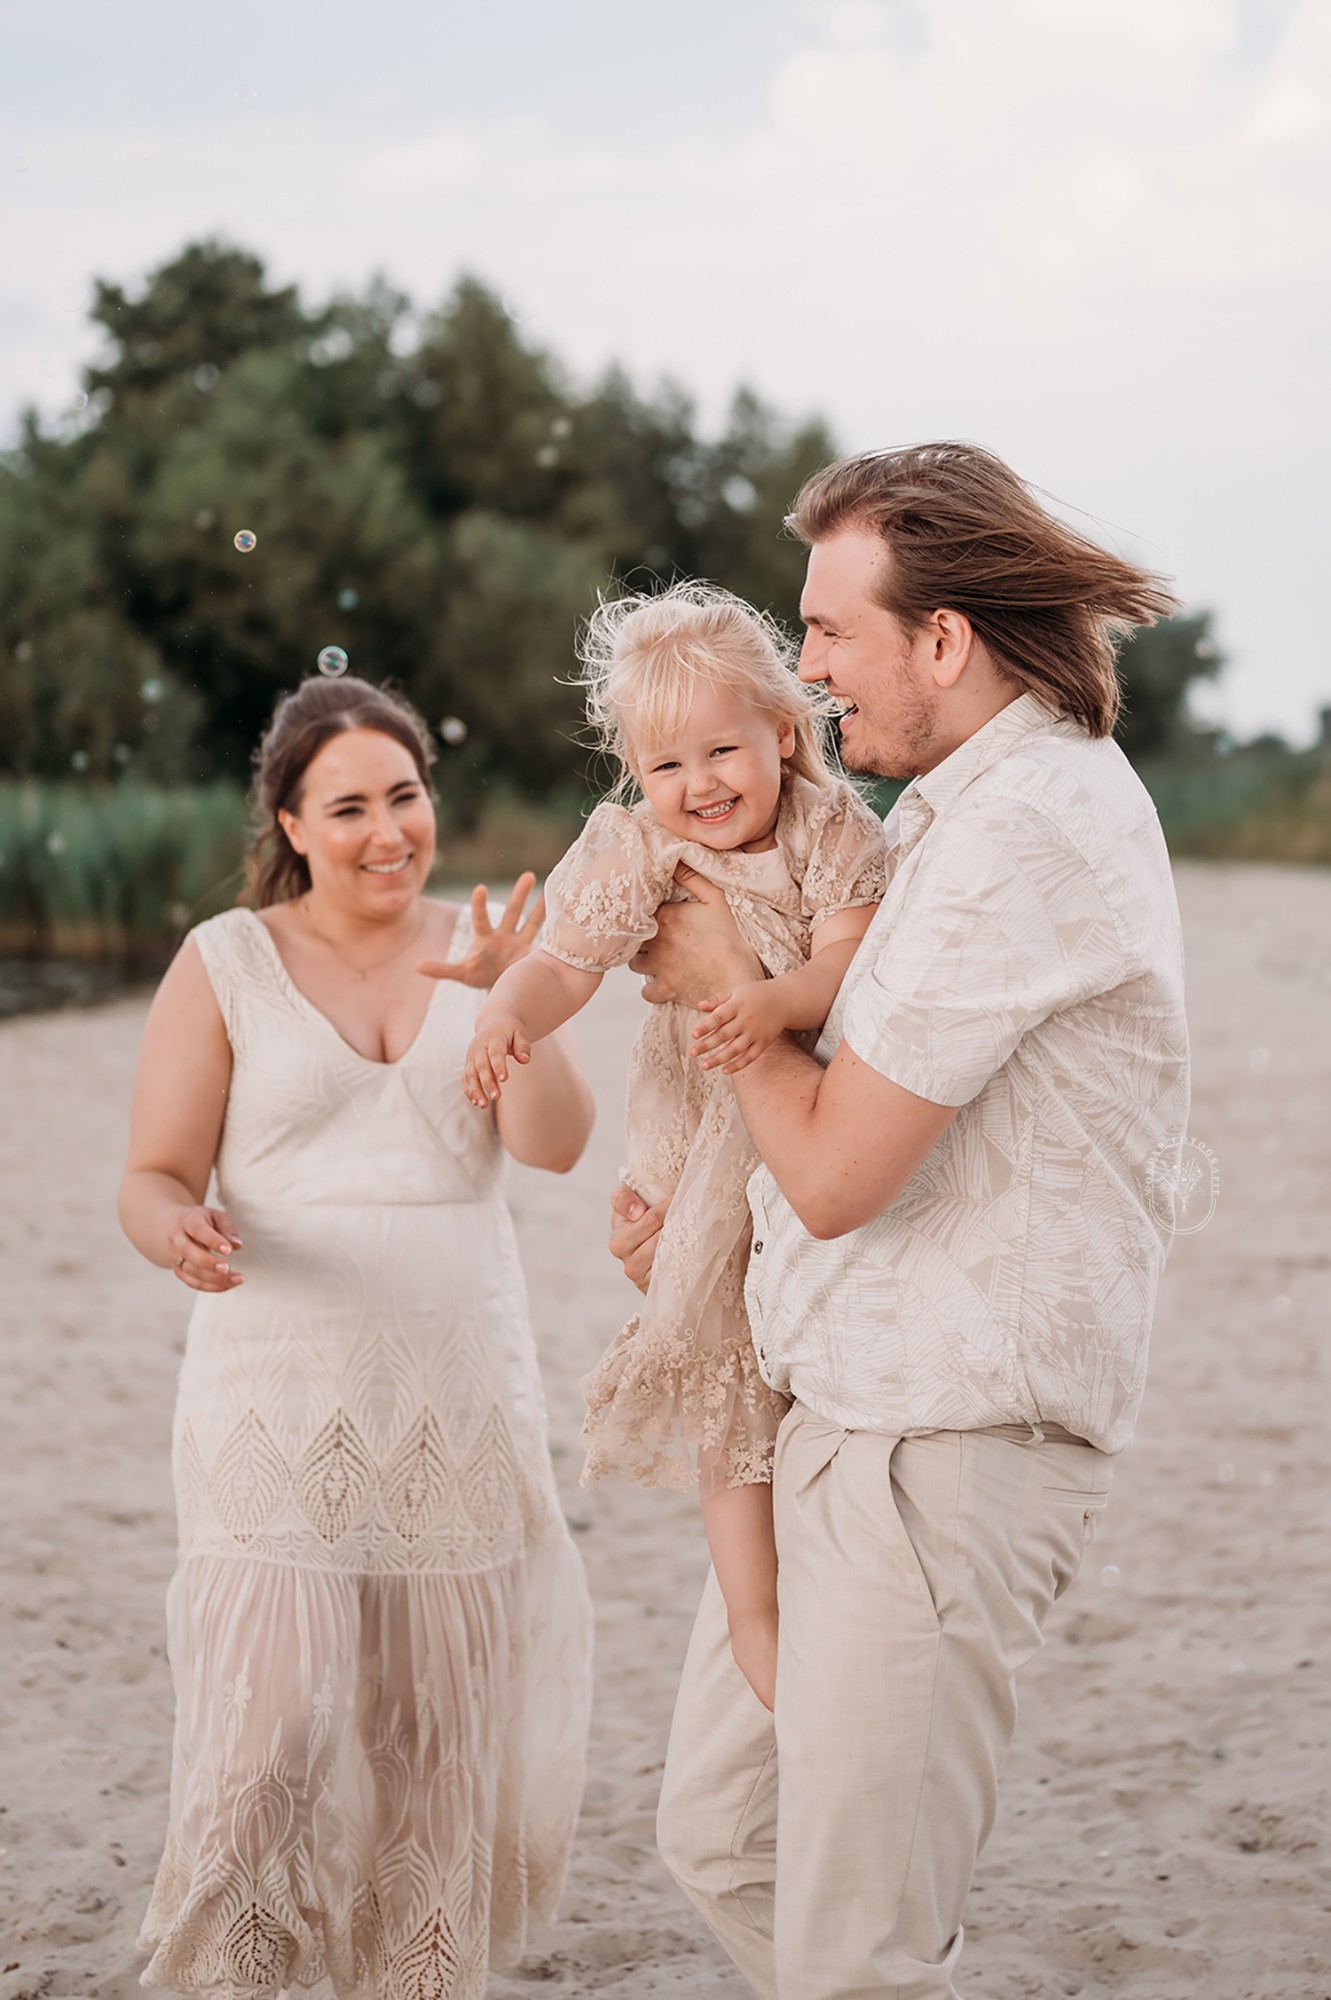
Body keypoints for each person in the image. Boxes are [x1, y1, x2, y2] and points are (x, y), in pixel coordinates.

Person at [610, 444, 1192, 2000]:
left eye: (825, 632)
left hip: (941, 1452)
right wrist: (688, 1234)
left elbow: (839, 1169)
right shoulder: (946, 813)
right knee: (724, 1842)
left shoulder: (1026, 833)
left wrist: (721, 989)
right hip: (837, 1417)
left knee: (854, 1955)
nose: (800, 673)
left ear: (939, 640)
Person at [118, 674, 595, 2000]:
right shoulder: (225, 959)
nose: (387, 829)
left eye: (405, 796)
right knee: (268, 1735)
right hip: (272, 1393)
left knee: (427, 1737)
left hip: (455, 1394)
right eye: (349, 806)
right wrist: (176, 1230)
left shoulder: (489, 943)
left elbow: (553, 1146)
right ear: (290, 818)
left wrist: (513, 1007)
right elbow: (151, 1172)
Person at [462, 582, 887, 1711]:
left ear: (781, 735)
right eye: (665, 766)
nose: (697, 785)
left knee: (787, 1329)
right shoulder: (635, 845)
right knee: (712, 1345)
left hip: (792, 1104)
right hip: (690, 1124)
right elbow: (563, 961)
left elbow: (846, 959)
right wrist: (506, 1012)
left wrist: (770, 994)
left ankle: (817, 1571)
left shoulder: (832, 827)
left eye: (721, 750)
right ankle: (756, 1612)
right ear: (634, 779)